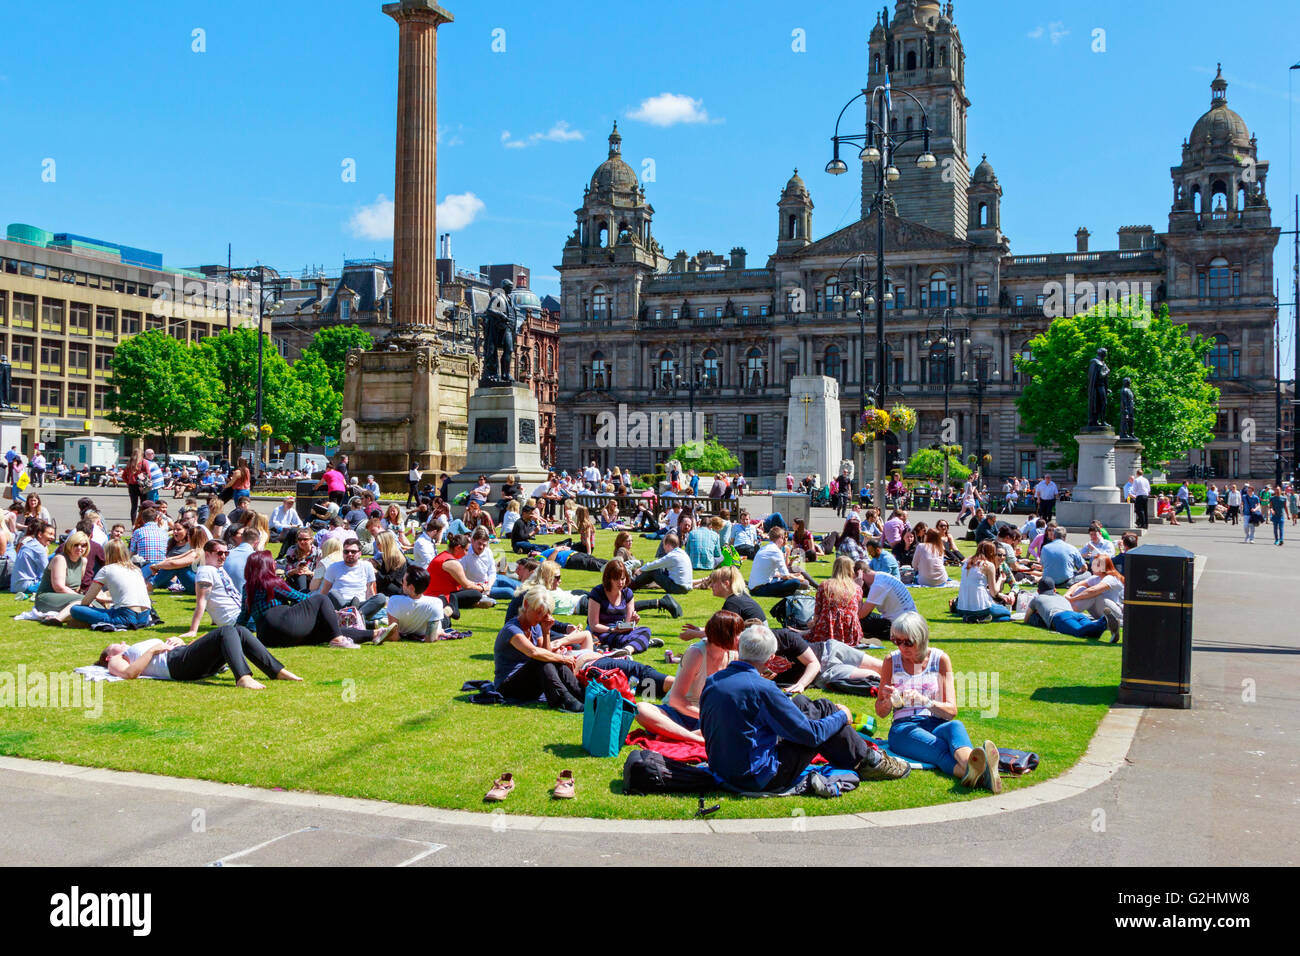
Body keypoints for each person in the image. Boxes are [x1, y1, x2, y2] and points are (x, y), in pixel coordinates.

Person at [700, 624, 910, 793]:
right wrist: (842, 716)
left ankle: (864, 758)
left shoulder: (713, 681)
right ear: (771, 658)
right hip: (757, 777)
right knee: (828, 714)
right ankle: (868, 761)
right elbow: (812, 736)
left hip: (723, 769)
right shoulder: (763, 688)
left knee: (804, 703)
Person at [875, 612, 1001, 791]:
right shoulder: (891, 661)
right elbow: (880, 712)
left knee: (955, 726)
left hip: (935, 722)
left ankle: (975, 771)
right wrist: (888, 701)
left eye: (908, 642)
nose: (902, 647)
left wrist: (925, 701)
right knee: (941, 748)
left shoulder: (940, 659)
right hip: (903, 727)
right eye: (897, 641)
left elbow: (951, 711)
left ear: (921, 638)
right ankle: (983, 773)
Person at [238, 550, 383, 648]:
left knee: (325, 631)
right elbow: (300, 597)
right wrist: (325, 608)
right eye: (272, 562)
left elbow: (243, 616)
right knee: (321, 598)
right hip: (283, 623)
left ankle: (374, 634)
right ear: (267, 565)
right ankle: (339, 639)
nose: (275, 564)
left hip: (267, 637)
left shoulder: (247, 588)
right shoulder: (271, 583)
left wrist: (234, 635)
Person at [636, 609, 741, 743]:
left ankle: (676, 735)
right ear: (724, 634)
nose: (740, 637)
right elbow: (676, 700)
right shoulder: (696, 653)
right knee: (640, 709)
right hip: (679, 713)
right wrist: (708, 716)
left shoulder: (733, 655)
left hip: (710, 716)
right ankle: (695, 738)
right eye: (737, 633)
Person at [95, 629, 301, 690]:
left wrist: (176, 641)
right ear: (107, 656)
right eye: (115, 644)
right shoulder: (115, 660)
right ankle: (243, 678)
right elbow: (129, 674)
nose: (121, 643)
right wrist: (153, 650)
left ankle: (276, 671)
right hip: (175, 665)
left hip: (180, 656)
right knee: (226, 631)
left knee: (238, 629)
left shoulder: (127, 650)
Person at [493, 588, 586, 711]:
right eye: (538, 612)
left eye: (545, 613)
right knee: (541, 659)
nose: (541, 617)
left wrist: (546, 631)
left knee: (550, 660)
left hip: (528, 683)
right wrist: (562, 658)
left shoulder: (535, 627)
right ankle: (564, 700)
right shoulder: (511, 629)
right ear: (526, 604)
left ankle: (583, 695)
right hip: (507, 688)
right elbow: (534, 652)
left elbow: (546, 652)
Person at [71, 539, 153, 629]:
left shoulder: (106, 569)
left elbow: (87, 600)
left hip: (126, 616)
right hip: (144, 616)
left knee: (75, 609)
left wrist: (84, 610)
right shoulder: (136, 569)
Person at [587, 559, 658, 654]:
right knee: (621, 639)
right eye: (616, 579)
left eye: (623, 579)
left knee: (646, 630)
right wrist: (612, 629)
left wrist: (634, 621)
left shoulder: (627, 593)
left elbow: (628, 623)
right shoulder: (597, 593)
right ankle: (642, 643)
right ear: (609, 579)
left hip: (620, 629)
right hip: (602, 631)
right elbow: (594, 625)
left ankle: (628, 649)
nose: (620, 583)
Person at [1023, 576, 1113, 640]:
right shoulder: (1061, 597)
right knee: (1091, 632)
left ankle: (1105, 621)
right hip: (1077, 614)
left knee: (1078, 631)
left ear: (1038, 591)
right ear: (1054, 590)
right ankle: (1105, 622)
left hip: (1060, 617)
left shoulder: (1037, 599)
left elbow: (1026, 619)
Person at [806, 556, 866, 647]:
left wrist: (813, 624)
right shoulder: (856, 588)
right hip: (850, 633)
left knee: (806, 631)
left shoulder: (824, 585)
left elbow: (817, 612)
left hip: (827, 630)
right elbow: (857, 612)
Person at [1065, 555, 1125, 640]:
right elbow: (1077, 584)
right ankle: (1068, 610)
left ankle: (1068, 612)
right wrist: (1067, 595)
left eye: (1094, 565)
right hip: (1103, 610)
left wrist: (1072, 599)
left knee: (1094, 594)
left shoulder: (1111, 578)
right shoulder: (1096, 578)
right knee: (1082, 588)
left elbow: (1093, 590)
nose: (1091, 567)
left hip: (1116, 612)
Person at [856, 562, 918, 641]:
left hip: (900, 627)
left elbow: (860, 614)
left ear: (860, 575)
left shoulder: (878, 585)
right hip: (909, 623)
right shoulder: (880, 576)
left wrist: (858, 588)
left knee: (858, 618)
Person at [954, 541, 1014, 621]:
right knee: (1007, 613)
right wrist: (1000, 580)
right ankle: (981, 617)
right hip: (981, 606)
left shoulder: (968, 562)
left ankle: (976, 618)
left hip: (962, 607)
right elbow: (994, 592)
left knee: (1004, 617)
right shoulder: (988, 565)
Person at [34, 531, 91, 614]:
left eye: (83, 545)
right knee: (85, 601)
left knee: (93, 602)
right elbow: (59, 587)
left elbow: (77, 587)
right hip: (47, 597)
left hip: (69, 597)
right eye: (76, 545)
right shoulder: (60, 559)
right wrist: (82, 597)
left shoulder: (83, 561)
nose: (79, 548)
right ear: (69, 545)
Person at [459, 526, 518, 600]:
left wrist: (489, 586)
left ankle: (532, 591)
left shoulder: (487, 551)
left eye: (484, 545)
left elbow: (492, 572)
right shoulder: (465, 554)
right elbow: (462, 580)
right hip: (478, 587)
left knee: (515, 584)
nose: (481, 547)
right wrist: (482, 588)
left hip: (491, 581)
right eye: (479, 543)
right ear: (472, 540)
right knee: (509, 592)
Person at [745, 528, 803, 598]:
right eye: (784, 537)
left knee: (788, 580)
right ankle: (787, 593)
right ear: (781, 537)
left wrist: (792, 575)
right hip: (760, 589)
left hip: (753, 588)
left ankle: (787, 593)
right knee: (796, 582)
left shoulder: (764, 548)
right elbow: (785, 576)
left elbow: (775, 573)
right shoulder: (776, 551)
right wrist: (797, 578)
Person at [11, 519, 55, 595]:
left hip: (16, 585)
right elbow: (47, 573)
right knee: (58, 585)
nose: (53, 537)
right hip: (27, 586)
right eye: (50, 534)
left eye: (53, 535)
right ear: (40, 534)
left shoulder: (31, 544)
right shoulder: (38, 548)